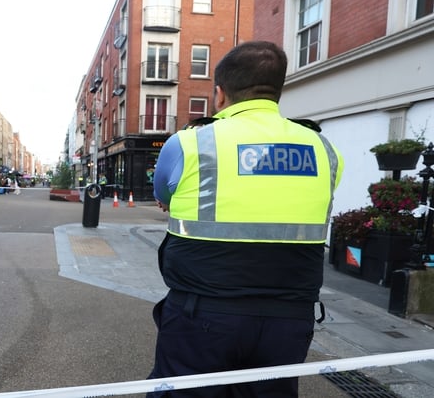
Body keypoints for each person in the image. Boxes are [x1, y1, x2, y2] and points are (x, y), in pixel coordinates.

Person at [147, 41, 343, 397]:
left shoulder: (190, 143)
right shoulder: (323, 148)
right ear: (277, 91)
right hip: (289, 319)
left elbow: (164, 196)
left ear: (220, 94)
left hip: (203, 314)